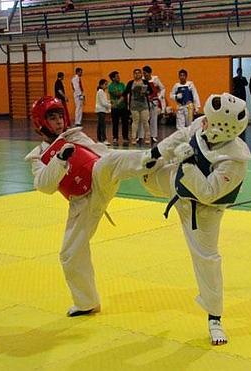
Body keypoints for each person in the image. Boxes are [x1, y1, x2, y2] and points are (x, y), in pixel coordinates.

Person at [24, 96, 158, 318]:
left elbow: (102, 154)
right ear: (41, 123)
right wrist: (59, 160)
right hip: (82, 203)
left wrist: (134, 164)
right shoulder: (38, 156)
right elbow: (44, 186)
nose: (58, 122)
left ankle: (157, 158)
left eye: (60, 116)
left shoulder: (75, 135)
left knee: (110, 162)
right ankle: (86, 302)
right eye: (52, 118)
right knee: (69, 254)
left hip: (98, 179)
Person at [141, 92, 251, 346]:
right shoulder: (204, 124)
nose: (203, 124)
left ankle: (215, 318)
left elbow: (208, 193)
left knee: (207, 260)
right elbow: (182, 135)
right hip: (177, 183)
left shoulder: (235, 160)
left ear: (224, 128)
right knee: (144, 170)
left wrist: (188, 161)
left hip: (204, 212)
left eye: (209, 122)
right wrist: (156, 151)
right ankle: (102, 168)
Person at [124, 68, 153, 146]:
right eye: (135, 73)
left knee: (145, 121)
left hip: (144, 105)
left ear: (141, 74)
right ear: (133, 75)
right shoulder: (130, 83)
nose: (137, 75)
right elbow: (126, 92)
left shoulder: (145, 82)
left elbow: (151, 91)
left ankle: (147, 137)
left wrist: (145, 92)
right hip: (134, 105)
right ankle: (133, 138)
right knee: (135, 122)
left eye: (139, 73)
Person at [142, 65, 166, 145]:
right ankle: (143, 136)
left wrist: (159, 96)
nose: (145, 75)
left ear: (150, 73)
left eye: (146, 73)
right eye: (144, 73)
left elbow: (162, 88)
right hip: (145, 101)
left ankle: (154, 136)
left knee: (154, 119)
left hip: (154, 101)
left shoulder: (155, 79)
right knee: (144, 119)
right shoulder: (142, 80)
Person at [108, 71, 130, 145]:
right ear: (113, 78)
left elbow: (125, 94)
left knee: (125, 123)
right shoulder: (110, 86)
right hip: (115, 107)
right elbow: (117, 93)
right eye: (117, 76)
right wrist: (122, 94)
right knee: (115, 123)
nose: (119, 78)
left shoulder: (122, 84)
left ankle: (125, 137)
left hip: (123, 106)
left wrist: (123, 94)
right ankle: (115, 137)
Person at [95, 79, 111, 144]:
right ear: (101, 85)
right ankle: (103, 139)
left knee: (100, 125)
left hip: (102, 110)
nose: (106, 86)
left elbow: (105, 101)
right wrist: (110, 105)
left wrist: (109, 102)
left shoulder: (103, 92)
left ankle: (99, 139)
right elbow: (103, 103)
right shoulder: (100, 92)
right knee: (102, 125)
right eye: (105, 84)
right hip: (101, 110)